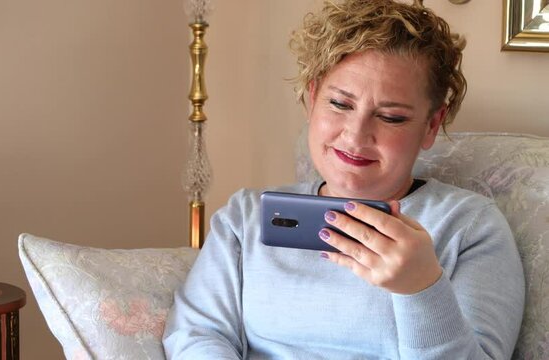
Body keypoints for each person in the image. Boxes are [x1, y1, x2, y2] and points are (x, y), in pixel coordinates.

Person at [162, 0, 525, 358]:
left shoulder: (470, 228)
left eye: (392, 117)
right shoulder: (245, 217)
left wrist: (422, 289)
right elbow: (198, 332)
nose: (355, 136)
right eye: (340, 104)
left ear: (431, 125)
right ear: (313, 97)